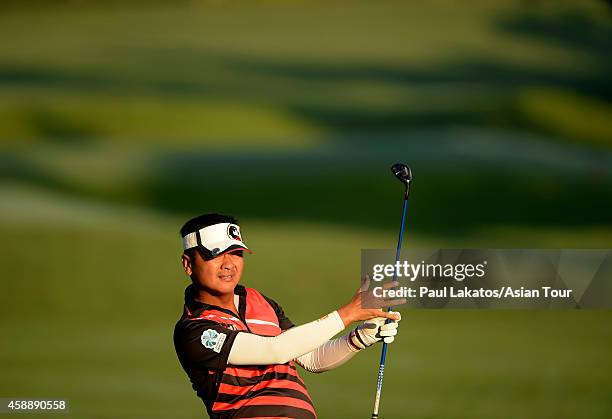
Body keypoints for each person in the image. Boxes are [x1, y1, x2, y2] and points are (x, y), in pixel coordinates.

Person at [173, 213, 403, 419]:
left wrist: (361, 337)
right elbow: (276, 349)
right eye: (215, 255)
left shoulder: (261, 302)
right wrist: (347, 314)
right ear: (188, 264)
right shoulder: (194, 330)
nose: (229, 264)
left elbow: (312, 358)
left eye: (236, 253)